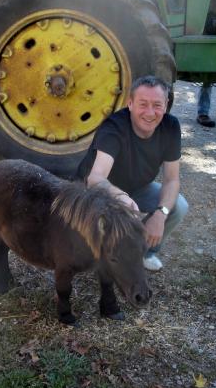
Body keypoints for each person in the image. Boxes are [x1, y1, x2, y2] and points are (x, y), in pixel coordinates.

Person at [77, 75, 188, 272]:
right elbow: (95, 178)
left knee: (178, 206)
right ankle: (108, 255)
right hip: (97, 193)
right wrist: (121, 197)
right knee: (93, 248)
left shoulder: (171, 127)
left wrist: (160, 215)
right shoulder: (114, 127)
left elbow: (172, 180)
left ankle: (143, 253)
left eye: (157, 105)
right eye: (143, 104)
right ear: (130, 103)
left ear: (166, 104)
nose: (150, 112)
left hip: (137, 188)